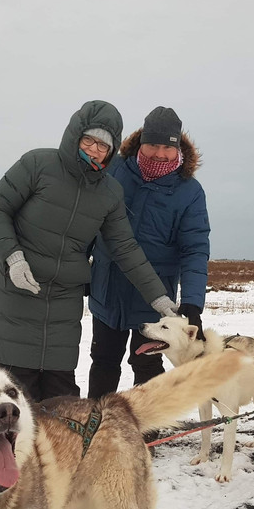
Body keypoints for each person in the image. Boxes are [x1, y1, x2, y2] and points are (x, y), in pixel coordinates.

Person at [0, 100, 179, 402]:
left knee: (63, 401)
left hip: (63, 302)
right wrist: (14, 258)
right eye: (89, 140)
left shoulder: (110, 192)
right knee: (18, 398)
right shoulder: (37, 165)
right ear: (75, 135)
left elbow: (125, 248)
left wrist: (159, 297)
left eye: (104, 145)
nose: (95, 150)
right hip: (17, 293)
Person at [87, 106, 210, 398]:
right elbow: (88, 220)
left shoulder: (189, 191)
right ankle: (95, 424)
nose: (159, 153)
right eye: (153, 144)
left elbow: (195, 248)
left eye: (167, 146)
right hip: (108, 286)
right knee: (104, 360)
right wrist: (80, 265)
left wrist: (193, 303)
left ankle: (147, 429)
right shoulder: (113, 170)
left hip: (153, 294)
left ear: (177, 147)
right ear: (141, 142)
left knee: (145, 362)